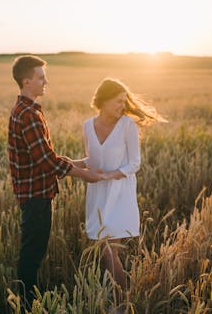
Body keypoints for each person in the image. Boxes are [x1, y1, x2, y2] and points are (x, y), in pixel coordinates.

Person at [8, 55, 102, 309]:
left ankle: (27, 302)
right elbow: (46, 162)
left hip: (34, 191)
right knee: (32, 254)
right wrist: (85, 175)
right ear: (27, 82)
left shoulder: (25, 111)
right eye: (40, 77)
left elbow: (44, 156)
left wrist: (80, 162)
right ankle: (27, 305)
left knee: (32, 252)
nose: (45, 81)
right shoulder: (29, 115)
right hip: (36, 194)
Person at [69, 78, 167, 308]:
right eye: (117, 101)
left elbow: (134, 164)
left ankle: (122, 303)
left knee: (109, 251)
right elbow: (93, 160)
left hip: (120, 192)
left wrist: (107, 176)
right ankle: (119, 299)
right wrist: (71, 164)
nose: (122, 106)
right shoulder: (87, 126)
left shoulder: (127, 125)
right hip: (97, 193)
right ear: (102, 102)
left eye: (124, 101)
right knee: (106, 251)